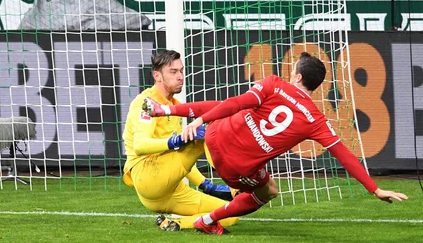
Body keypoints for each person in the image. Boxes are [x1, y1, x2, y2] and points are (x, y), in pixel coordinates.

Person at [143, 52, 408, 235]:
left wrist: (201, 120)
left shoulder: (272, 84)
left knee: (237, 106)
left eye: (293, 71)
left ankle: (165, 111)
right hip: (235, 168)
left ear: (298, 77)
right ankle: (207, 220)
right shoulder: (316, 120)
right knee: (268, 190)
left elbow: (233, 104)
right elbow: (344, 155)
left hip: (213, 137)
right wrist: (374, 189)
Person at [123, 49, 239, 232]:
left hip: (169, 190)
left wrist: (205, 184)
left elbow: (179, 158)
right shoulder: (145, 103)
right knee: (207, 134)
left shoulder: (174, 107)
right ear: (157, 76)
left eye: (181, 71)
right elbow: (140, 145)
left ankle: (174, 224)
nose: (180, 76)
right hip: (147, 175)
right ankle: (236, 186)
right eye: (173, 72)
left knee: (230, 214)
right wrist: (174, 141)